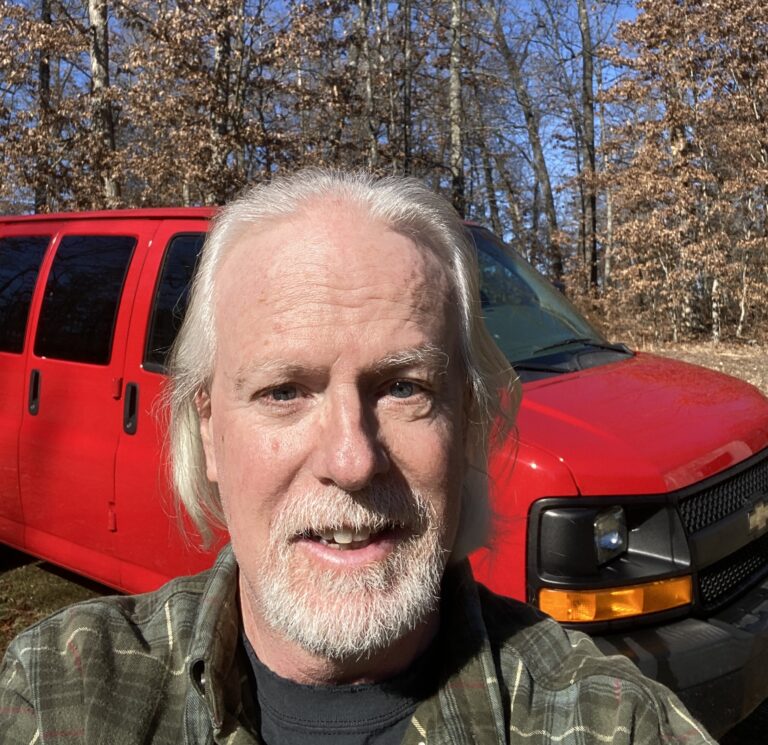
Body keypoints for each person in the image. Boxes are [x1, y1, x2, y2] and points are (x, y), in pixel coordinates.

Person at [0, 170, 714, 744]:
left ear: (469, 419)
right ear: (209, 431)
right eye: (284, 390)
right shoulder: (61, 687)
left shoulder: (609, 720)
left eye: (404, 387)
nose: (351, 460)